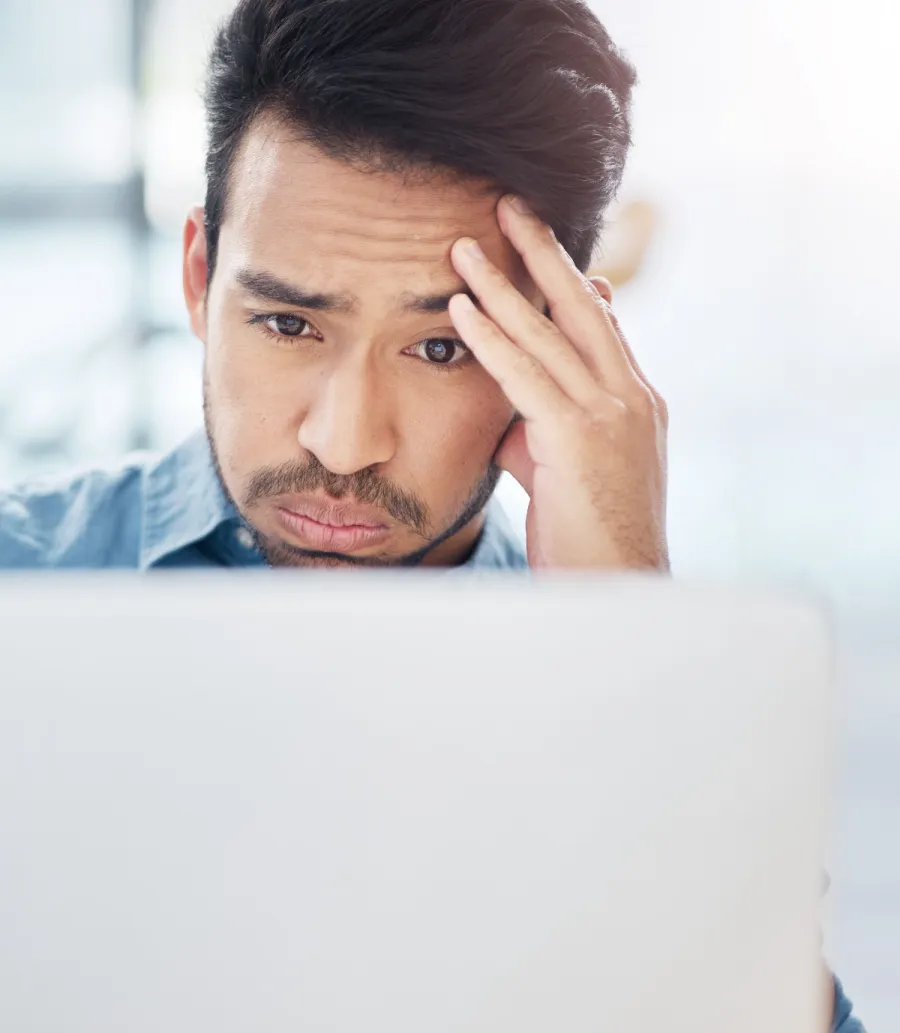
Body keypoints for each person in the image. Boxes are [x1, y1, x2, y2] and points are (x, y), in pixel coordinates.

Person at [0, 1, 863, 1027]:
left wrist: (629, 632)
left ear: (558, 346)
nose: (344, 439)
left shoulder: (651, 692)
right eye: (286, 321)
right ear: (198, 278)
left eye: (441, 347)